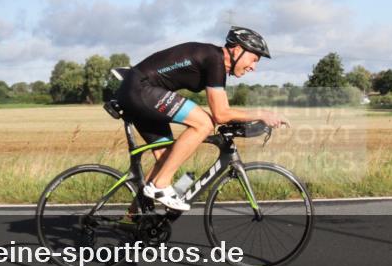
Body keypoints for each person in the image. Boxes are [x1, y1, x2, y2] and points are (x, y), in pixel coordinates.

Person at [115, 27, 288, 211]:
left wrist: (250, 123)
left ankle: (134, 216)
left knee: (167, 158)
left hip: (137, 92)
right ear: (237, 49)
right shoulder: (214, 59)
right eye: (254, 59)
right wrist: (261, 114)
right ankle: (161, 185)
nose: (253, 67)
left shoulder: (215, 63)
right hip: (140, 90)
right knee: (204, 123)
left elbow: (225, 112)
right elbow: (220, 114)